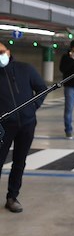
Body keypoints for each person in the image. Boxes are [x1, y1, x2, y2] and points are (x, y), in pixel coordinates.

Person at [0, 42, 47, 213]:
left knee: (19, 162)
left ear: (8, 52)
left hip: (27, 124)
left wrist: (32, 107)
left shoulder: (25, 69)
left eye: (1, 52)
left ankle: (12, 197)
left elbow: (41, 88)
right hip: (3, 127)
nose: (0, 56)